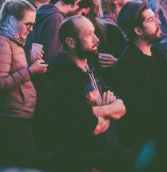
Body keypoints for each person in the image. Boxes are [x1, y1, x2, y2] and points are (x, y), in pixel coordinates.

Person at [111, 0, 167, 171]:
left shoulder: (157, 55)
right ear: (137, 30)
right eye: (150, 20)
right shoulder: (127, 65)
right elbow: (136, 110)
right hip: (146, 148)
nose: (158, 22)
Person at [47, 15, 129, 172]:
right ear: (71, 42)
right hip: (80, 161)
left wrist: (97, 111)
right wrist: (105, 111)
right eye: (89, 34)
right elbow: (91, 125)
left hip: (103, 154)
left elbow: (121, 107)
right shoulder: (63, 78)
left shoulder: (89, 69)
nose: (96, 39)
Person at [0, 0, 47, 169]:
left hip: (18, 115)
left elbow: (13, 72)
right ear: (11, 20)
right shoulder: (2, 43)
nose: (31, 29)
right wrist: (31, 71)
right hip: (10, 119)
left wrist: (30, 61)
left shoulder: (14, 43)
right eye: (28, 24)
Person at [28, 0, 95, 62]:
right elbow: (53, 56)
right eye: (82, 14)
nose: (80, 18)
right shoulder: (57, 19)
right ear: (77, 3)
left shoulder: (43, 10)